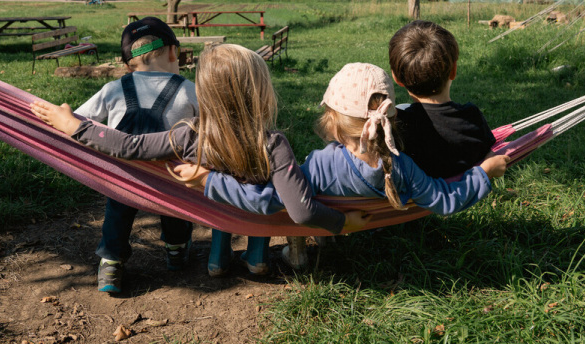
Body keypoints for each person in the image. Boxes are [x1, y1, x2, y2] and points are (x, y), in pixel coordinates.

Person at [30, 44, 369, 276]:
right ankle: (256, 260)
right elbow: (302, 210)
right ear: (262, 90)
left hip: (217, 214)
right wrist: (342, 223)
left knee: (225, 224)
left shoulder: (188, 135)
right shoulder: (274, 144)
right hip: (257, 218)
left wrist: (77, 127)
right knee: (259, 225)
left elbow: (128, 145)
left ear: (203, 92)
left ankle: (217, 262)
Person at [182, 63, 508, 223]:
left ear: (334, 122)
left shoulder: (323, 165)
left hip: (328, 217)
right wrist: (485, 173)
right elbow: (444, 199)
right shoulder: (404, 167)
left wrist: (208, 180)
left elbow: (268, 200)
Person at [74, 17, 198, 294]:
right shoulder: (189, 89)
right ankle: (176, 251)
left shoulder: (113, 89)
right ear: (173, 52)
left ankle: (111, 264)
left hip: (124, 176)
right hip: (172, 175)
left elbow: (76, 121)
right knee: (177, 211)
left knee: (116, 215)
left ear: (128, 63)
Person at [389, 20, 496, 178]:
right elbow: (488, 152)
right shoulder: (472, 118)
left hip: (414, 199)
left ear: (397, 78)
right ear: (454, 70)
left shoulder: (397, 126)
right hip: (462, 196)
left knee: (403, 107)